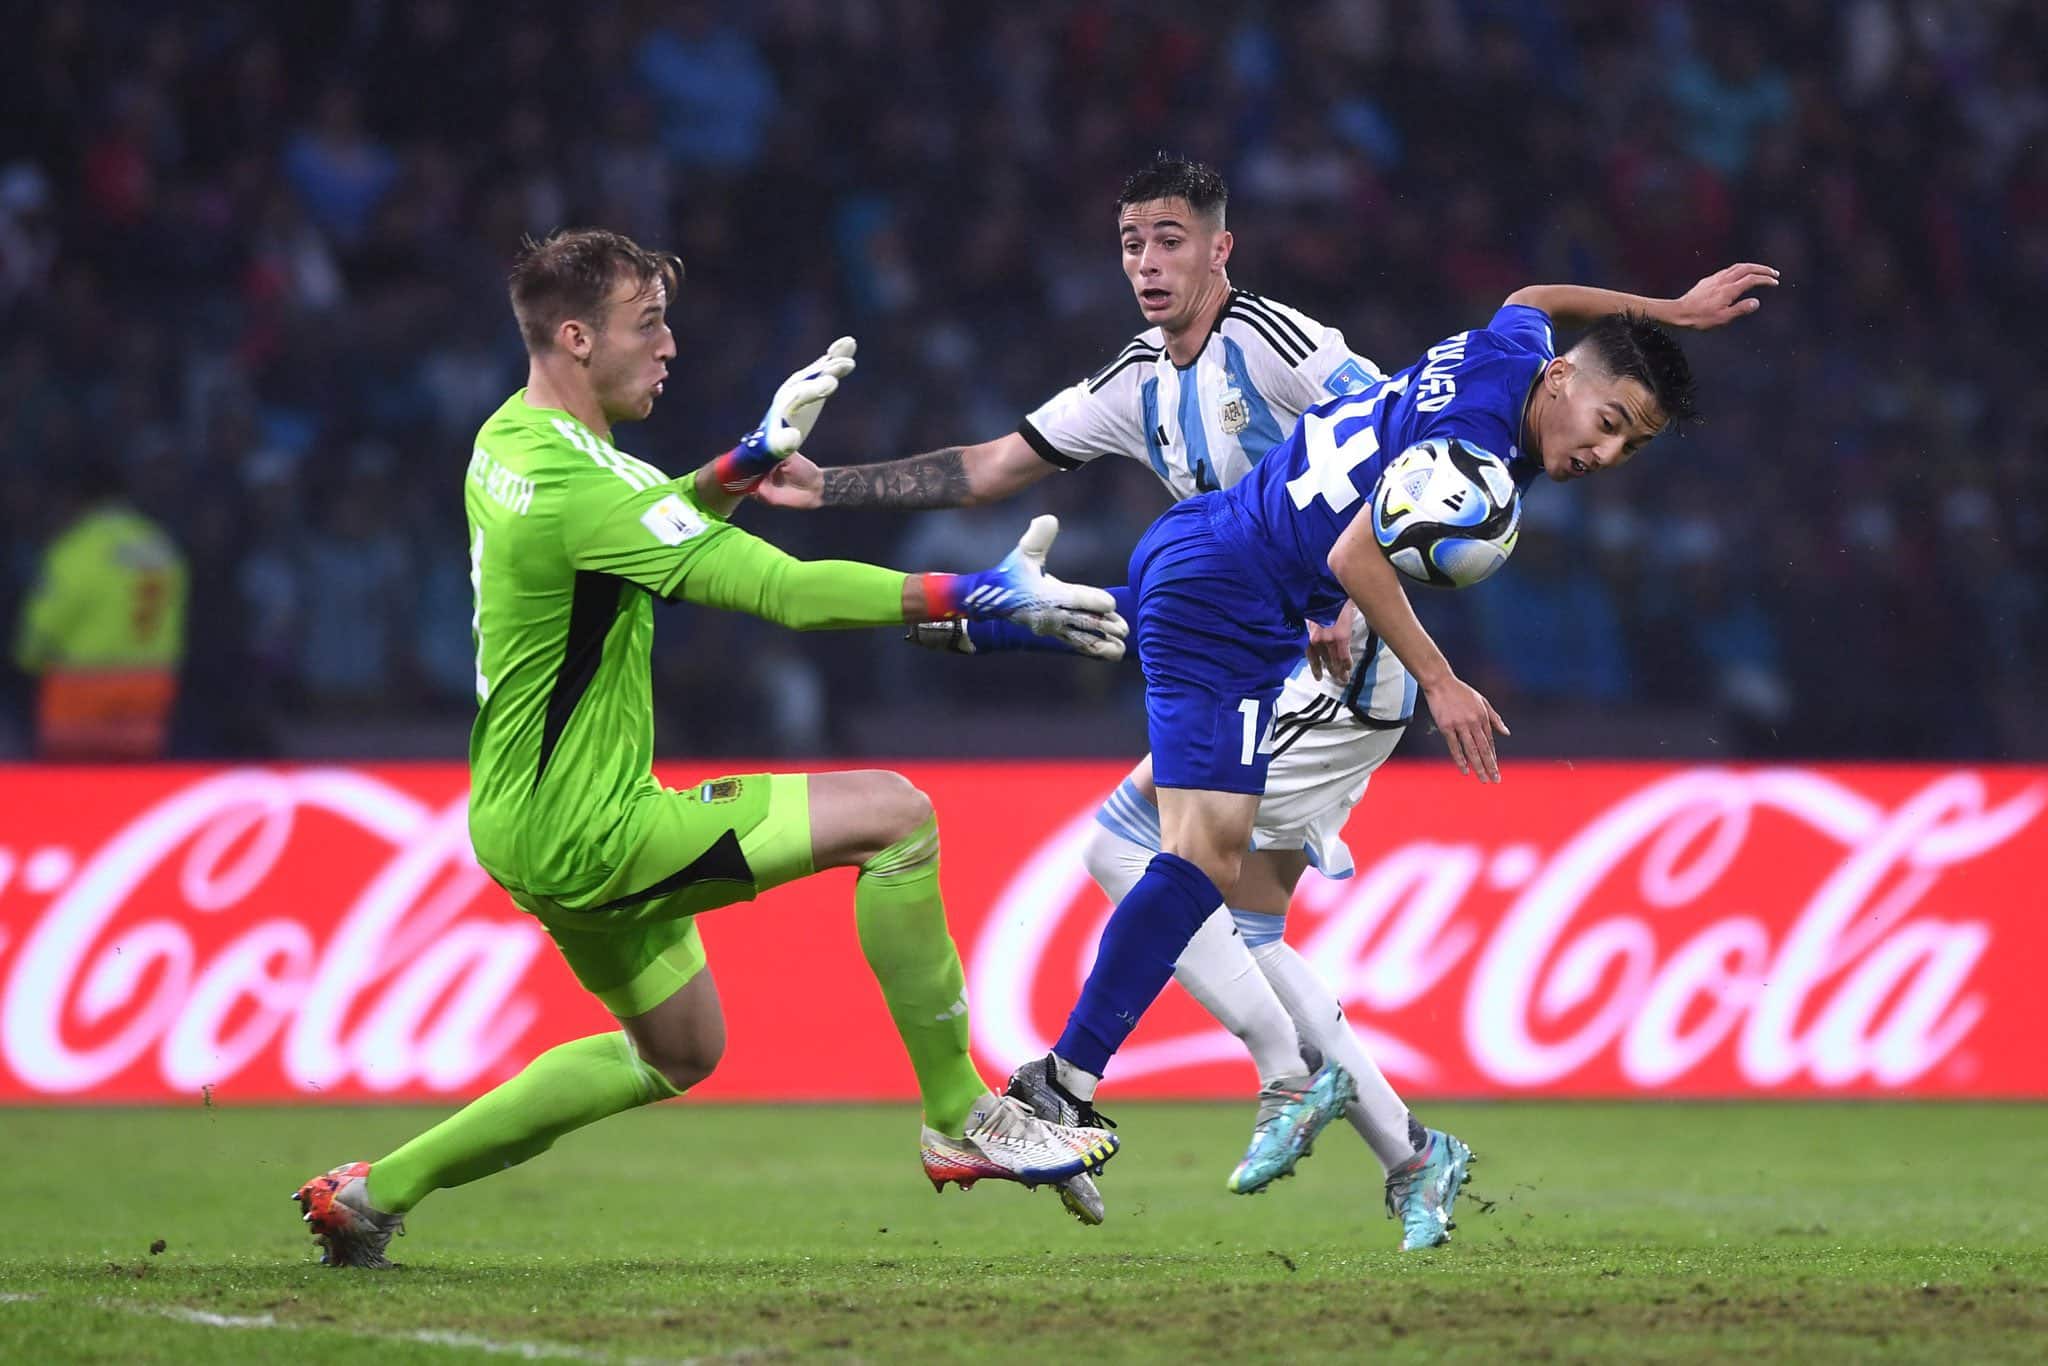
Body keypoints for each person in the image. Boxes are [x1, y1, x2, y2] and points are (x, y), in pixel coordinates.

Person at [292, 228, 1125, 1268]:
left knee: (678, 1051)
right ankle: (958, 1110)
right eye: (646, 324)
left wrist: (749, 457)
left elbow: (643, 526)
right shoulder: (583, 486)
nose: (668, 344)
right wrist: (975, 599)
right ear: (572, 335)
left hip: (519, 818)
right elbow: (779, 589)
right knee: (896, 816)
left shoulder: (509, 444)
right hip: (592, 828)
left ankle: (373, 1193)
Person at [1002, 260, 1778, 1251]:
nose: (1605, 452)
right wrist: (1444, 680)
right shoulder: (1476, 453)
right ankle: (1344, 1116)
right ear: (1558, 383)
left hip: (1248, 596)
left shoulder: (1509, 360)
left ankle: (1264, 1089)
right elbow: (1353, 556)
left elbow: (1529, 302)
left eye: (1629, 443)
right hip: (1262, 607)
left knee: (1182, 877)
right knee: (1175, 872)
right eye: (1611, 419)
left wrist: (1660, 312)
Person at [756, 156, 1442, 1240]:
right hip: (1251, 652)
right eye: (1130, 241)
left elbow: (1392, 437)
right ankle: (1401, 1148)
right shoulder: (1134, 379)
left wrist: (1341, 589)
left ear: (1221, 248)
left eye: (1170, 238)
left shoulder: (1275, 343)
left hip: (1334, 661)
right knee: (1184, 888)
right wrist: (825, 486)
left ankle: (1233, 1086)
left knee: (1170, 870)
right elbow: (991, 466)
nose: (1146, 261)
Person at [11, 459, 188, 759]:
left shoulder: (77, 548)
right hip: (150, 689)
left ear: (78, 501)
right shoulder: (162, 545)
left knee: (76, 789)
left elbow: (40, 632)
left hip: (81, 692)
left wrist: (25, 662)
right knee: (134, 787)